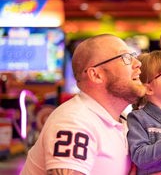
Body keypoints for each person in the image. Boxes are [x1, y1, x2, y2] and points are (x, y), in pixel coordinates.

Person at [21, 34, 146, 175]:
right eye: (125, 57)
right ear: (96, 75)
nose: (138, 63)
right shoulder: (74, 122)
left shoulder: (121, 121)